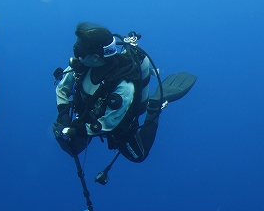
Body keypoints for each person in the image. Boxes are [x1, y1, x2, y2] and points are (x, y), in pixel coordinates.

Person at [52, 23, 196, 201]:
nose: (76, 56)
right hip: (90, 113)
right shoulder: (81, 66)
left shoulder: (123, 87)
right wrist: (64, 116)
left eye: (80, 52)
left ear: (96, 57)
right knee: (71, 147)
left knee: (138, 156)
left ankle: (154, 106)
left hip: (118, 123)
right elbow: (62, 88)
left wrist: (77, 130)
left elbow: (110, 123)